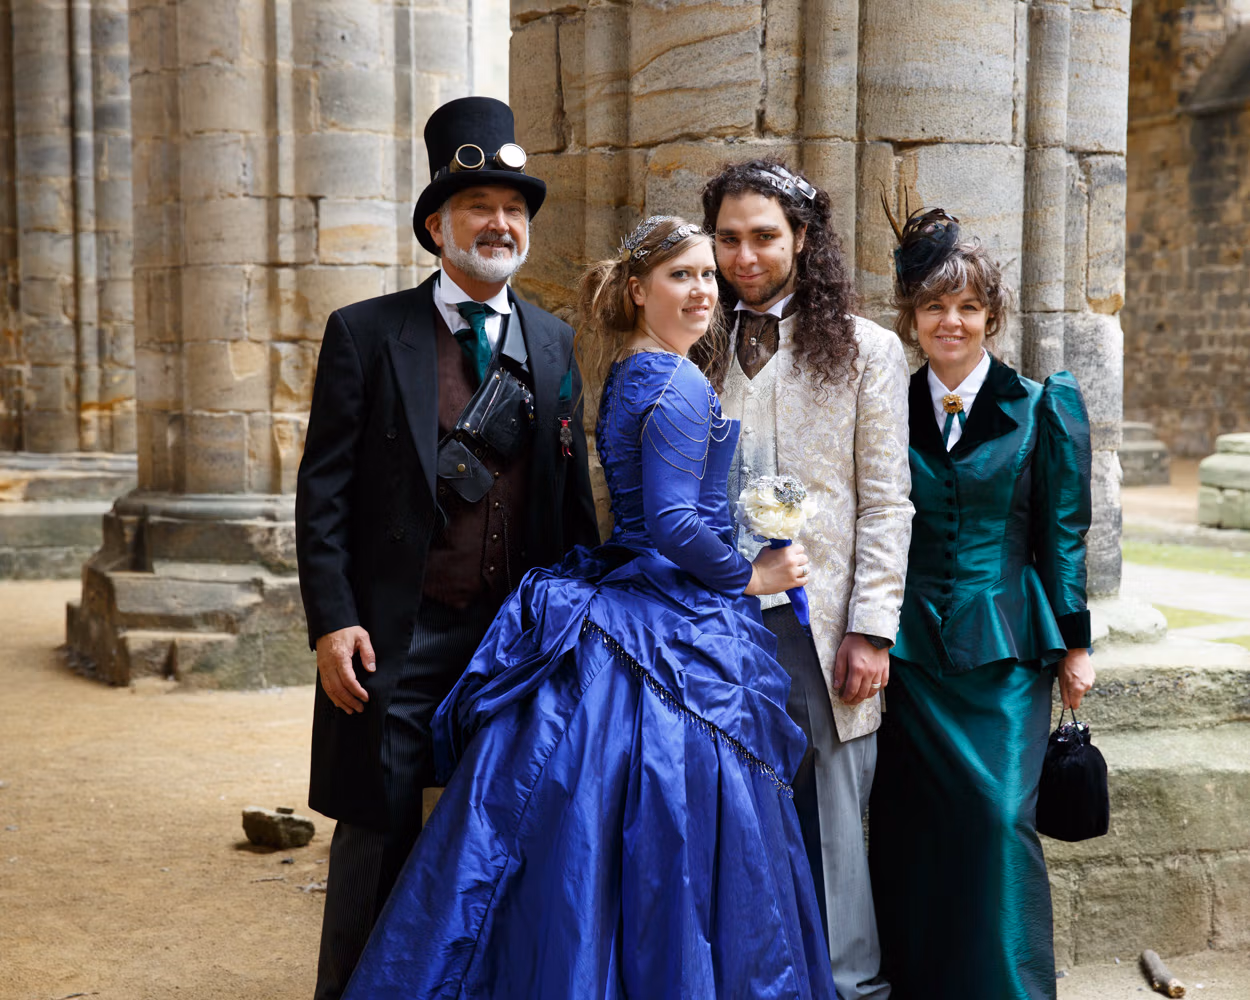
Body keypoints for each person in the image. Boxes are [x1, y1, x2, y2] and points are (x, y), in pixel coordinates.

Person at [340, 215, 837, 999]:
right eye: (681, 275)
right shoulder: (676, 382)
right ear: (637, 290)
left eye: (708, 276)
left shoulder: (634, 369)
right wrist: (748, 577)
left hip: (629, 591)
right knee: (678, 825)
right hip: (671, 612)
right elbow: (673, 523)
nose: (703, 291)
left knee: (569, 828)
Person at [294, 95, 599, 1000]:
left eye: (514, 209)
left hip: (512, 637)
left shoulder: (554, 342)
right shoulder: (364, 333)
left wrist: (579, 619)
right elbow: (323, 493)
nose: (500, 223)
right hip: (397, 632)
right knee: (377, 832)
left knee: (503, 832)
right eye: (478, 207)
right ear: (437, 226)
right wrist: (333, 621)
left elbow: (569, 502)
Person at [697, 158, 913, 1000]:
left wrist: (871, 628)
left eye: (763, 236)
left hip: (820, 623)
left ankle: (849, 985)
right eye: (727, 239)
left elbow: (887, 501)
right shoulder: (695, 343)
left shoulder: (867, 351)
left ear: (802, 239)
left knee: (832, 811)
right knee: (724, 800)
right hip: (713, 615)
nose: (744, 256)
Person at [868, 206, 1096, 1000]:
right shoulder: (886, 405)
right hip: (908, 659)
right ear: (912, 317)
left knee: (999, 820)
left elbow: (1062, 536)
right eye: (934, 306)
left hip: (1003, 652)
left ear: (991, 315)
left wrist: (1076, 645)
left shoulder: (1041, 406)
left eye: (968, 306)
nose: (951, 322)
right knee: (913, 830)